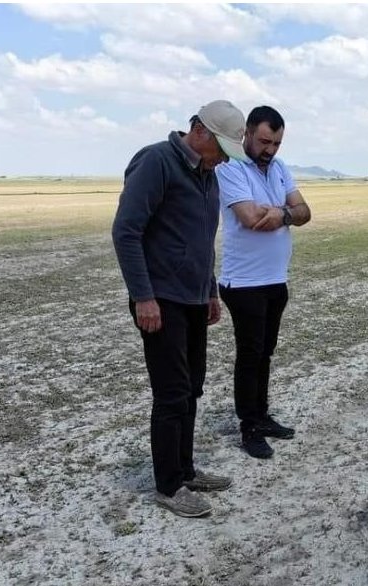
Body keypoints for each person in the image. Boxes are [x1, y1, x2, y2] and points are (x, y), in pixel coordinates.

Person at [111, 100, 250, 517]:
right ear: (200, 131)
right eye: (222, 148)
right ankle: (169, 486)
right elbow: (126, 232)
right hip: (161, 301)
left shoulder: (208, 174)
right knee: (171, 393)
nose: (225, 158)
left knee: (192, 388)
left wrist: (210, 291)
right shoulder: (157, 161)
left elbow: (203, 240)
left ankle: (186, 469)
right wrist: (143, 296)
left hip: (193, 299)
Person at [214, 105, 313, 459]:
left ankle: (261, 414)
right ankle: (249, 426)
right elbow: (250, 217)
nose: (270, 149)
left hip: (275, 280)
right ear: (247, 134)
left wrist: (281, 214)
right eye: (264, 141)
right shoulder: (230, 168)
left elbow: (305, 212)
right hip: (244, 283)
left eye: (276, 143)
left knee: (265, 353)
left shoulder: (280, 168)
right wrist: (286, 213)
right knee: (250, 354)